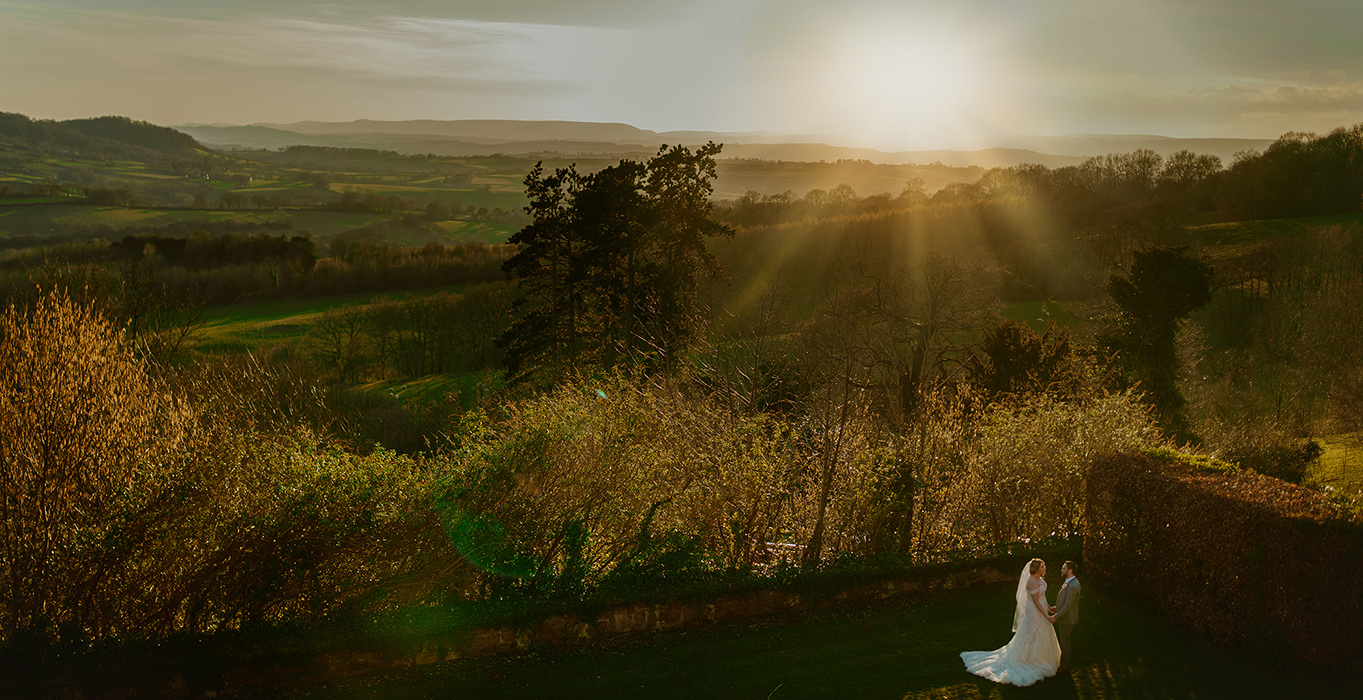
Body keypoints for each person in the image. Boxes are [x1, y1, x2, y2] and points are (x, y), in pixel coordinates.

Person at [959, 558, 1061, 686]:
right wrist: (1046, 616)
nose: (1045, 568)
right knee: (1031, 634)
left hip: (1040, 609)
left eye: (1044, 565)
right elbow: (1035, 602)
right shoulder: (1031, 582)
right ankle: (1028, 659)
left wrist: (1049, 607)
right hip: (1034, 612)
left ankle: (1043, 658)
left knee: (1042, 634)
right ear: (1036, 569)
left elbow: (1042, 598)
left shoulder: (1040, 579)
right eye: (1042, 566)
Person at [1048, 560, 1080, 673]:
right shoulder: (1068, 581)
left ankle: (1065, 666)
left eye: (1064, 568)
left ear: (1069, 571)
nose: (1061, 570)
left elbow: (1068, 606)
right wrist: (1056, 608)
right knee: (1064, 640)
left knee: (1065, 642)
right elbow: (1065, 602)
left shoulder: (1073, 586)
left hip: (1067, 619)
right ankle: (1063, 662)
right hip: (1064, 616)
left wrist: (1056, 617)